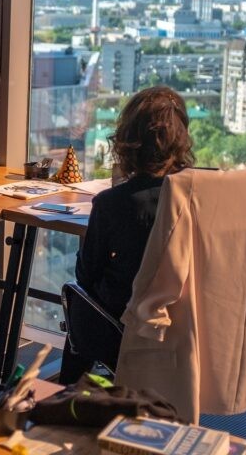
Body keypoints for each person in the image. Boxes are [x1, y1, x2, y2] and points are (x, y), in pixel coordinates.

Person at [61, 85, 194, 383]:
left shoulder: (112, 203)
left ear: (127, 141)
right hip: (189, 321)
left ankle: (65, 399)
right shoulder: (201, 194)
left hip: (127, 325)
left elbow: (86, 275)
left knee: (77, 293)